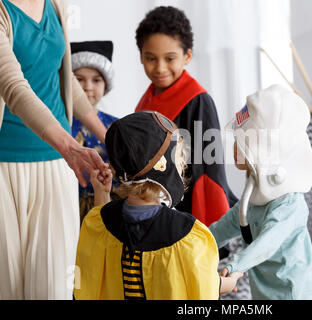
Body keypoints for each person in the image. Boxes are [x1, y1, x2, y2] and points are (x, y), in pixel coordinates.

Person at [0, 0, 108, 299]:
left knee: (55, 285)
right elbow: (12, 86)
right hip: (5, 163)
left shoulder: (55, 4)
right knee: (7, 285)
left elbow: (63, 76)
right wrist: (70, 146)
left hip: (58, 163)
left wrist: (108, 135)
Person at [74, 111, 243, 300]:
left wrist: (102, 192)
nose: (183, 164)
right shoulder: (186, 234)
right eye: (179, 157)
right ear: (164, 167)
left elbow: (100, 244)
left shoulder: (100, 221)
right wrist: (230, 281)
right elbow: (204, 283)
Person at [209, 85, 312, 300]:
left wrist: (236, 266)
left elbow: (267, 243)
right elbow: (227, 225)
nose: (234, 149)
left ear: (264, 152)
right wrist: (198, 242)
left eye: (241, 144)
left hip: (294, 295)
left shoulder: (290, 206)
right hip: (264, 295)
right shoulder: (254, 197)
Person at [134, 6, 237, 228]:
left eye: (170, 58)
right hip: (154, 206)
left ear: (187, 56)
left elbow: (210, 167)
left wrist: (206, 226)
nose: (160, 68)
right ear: (141, 56)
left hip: (186, 211)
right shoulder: (146, 102)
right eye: (150, 58)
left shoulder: (197, 101)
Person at [70, 40, 119, 222]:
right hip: (67, 205)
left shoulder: (115, 126)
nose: (87, 86)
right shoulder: (58, 125)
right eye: (78, 79)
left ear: (106, 85)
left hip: (107, 203)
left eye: (96, 80)